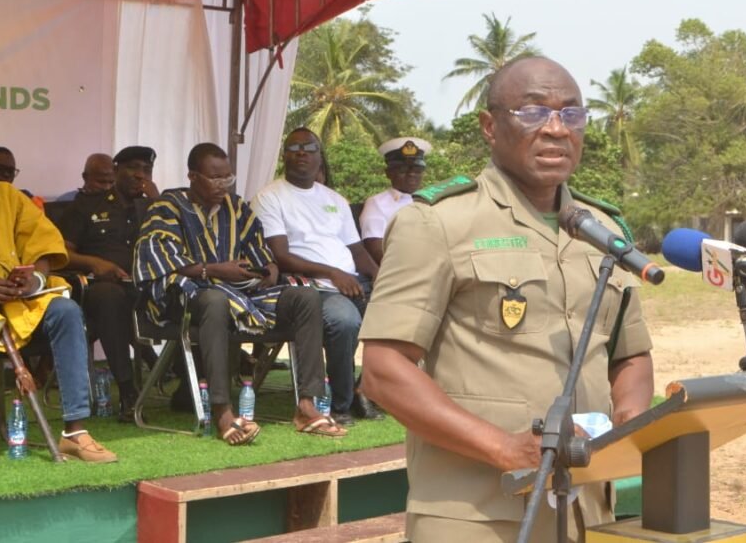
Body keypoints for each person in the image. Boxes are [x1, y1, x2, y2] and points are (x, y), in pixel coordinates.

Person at [359, 57, 654, 542]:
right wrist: (505, 448)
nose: (557, 129)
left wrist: (630, 422)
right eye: (534, 113)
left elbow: (630, 353)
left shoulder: (602, 230)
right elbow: (384, 371)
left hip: (588, 509)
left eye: (571, 115)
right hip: (477, 513)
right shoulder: (436, 223)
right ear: (490, 127)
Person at [133, 142, 345, 444]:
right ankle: (222, 409)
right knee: (214, 299)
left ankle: (307, 405)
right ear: (193, 176)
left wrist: (269, 270)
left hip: (242, 294)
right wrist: (216, 270)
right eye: (215, 178)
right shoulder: (167, 208)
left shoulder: (237, 208)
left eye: (228, 178)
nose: (223, 185)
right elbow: (161, 258)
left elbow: (259, 252)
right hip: (186, 297)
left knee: (305, 297)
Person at [0, 123, 118, 465]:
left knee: (66, 311)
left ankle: (75, 431)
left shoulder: (9, 197)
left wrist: (34, 281)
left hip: (14, 301)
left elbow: (43, 246)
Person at [251, 128, 382, 427]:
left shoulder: (334, 198)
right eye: (294, 147)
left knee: (403, 313)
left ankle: (366, 389)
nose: (301, 152)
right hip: (312, 288)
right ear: (284, 155)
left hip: (351, 282)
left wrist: (385, 278)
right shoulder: (270, 197)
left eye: (309, 147)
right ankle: (340, 405)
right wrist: (333, 274)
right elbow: (280, 255)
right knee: (344, 321)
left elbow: (358, 251)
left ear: (319, 156)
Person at [56, 146, 160, 421]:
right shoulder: (88, 205)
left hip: (146, 286)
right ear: (116, 171)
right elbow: (60, 254)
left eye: (146, 170)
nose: (140, 175)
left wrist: (158, 203)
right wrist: (94, 263)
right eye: (133, 168)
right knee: (108, 296)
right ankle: (128, 391)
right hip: (99, 288)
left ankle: (190, 385)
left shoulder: (153, 208)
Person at [359, 137, 432, 265]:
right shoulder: (377, 203)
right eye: (404, 170)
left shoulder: (432, 199)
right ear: (388, 173)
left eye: (417, 170)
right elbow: (375, 249)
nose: (412, 174)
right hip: (406, 269)